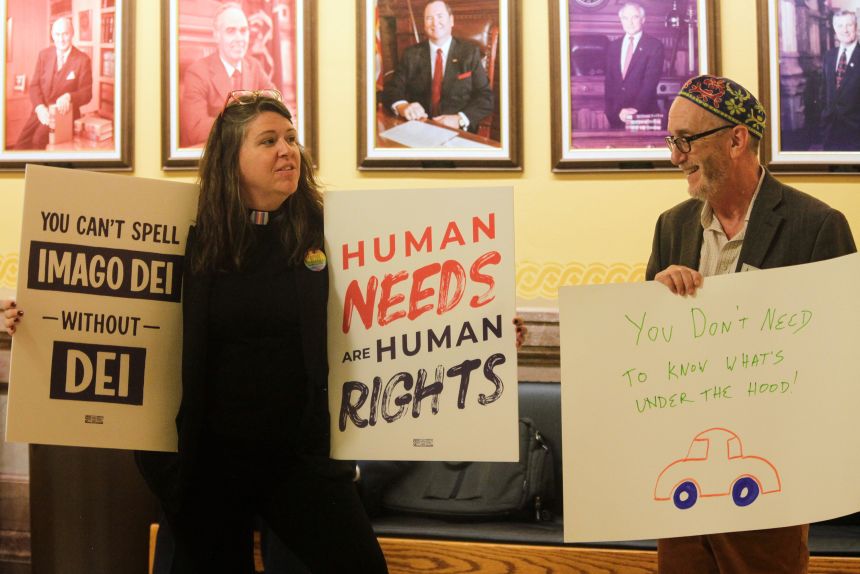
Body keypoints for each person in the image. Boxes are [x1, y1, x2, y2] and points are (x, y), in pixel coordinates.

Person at [136, 90, 388, 573]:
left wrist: (494, 331)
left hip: (299, 460)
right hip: (209, 465)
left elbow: (401, 311)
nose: (287, 150)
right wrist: (25, 315)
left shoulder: (330, 230)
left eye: (292, 139)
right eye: (268, 140)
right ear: (232, 159)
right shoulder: (189, 235)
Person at [649, 74, 856, 573]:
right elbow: (649, 353)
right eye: (671, 141)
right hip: (685, 476)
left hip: (772, 485)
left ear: (737, 139)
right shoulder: (672, 226)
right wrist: (657, 298)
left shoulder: (817, 225)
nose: (675, 156)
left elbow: (844, 354)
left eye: (685, 140)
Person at [379, 0, 493, 134]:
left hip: (458, 133)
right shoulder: (411, 54)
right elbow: (392, 89)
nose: (435, 23)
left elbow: (485, 98)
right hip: (418, 128)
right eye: (429, 18)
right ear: (424, 24)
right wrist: (403, 106)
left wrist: (459, 119)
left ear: (451, 21)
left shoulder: (469, 53)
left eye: (440, 16)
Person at [179, 2, 275, 148]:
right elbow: (196, 130)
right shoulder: (197, 72)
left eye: (243, 31)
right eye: (231, 31)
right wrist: (250, 122)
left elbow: (276, 103)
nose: (239, 38)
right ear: (216, 36)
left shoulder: (254, 66)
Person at [14, 16, 92, 150]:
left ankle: (37, 171)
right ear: (52, 35)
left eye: (65, 34)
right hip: (41, 111)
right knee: (20, 145)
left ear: (72, 34)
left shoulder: (82, 60)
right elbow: (34, 86)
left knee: (38, 140)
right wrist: (39, 108)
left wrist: (69, 96)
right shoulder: (44, 55)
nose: (61, 39)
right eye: (57, 34)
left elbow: (87, 94)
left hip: (63, 115)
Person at [603, 2, 664, 129]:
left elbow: (650, 83)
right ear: (621, 20)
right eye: (625, 18)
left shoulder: (654, 46)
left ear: (643, 20)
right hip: (617, 116)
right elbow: (609, 82)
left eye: (635, 17)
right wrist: (612, 111)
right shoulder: (613, 46)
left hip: (643, 115)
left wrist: (634, 109)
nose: (629, 22)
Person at [820, 10, 860, 151]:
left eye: (849, 25)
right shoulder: (829, 56)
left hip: (856, 133)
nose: (845, 30)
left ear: (856, 27)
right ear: (835, 29)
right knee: (832, 172)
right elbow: (824, 92)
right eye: (840, 25)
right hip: (830, 132)